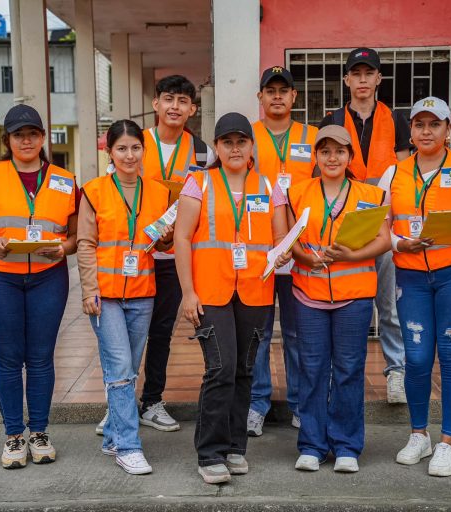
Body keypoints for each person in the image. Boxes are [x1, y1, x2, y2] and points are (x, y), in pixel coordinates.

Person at [379, 96, 451, 477]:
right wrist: (400, 244)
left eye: (434, 124)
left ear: (448, 130)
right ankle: (418, 435)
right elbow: (381, 228)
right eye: (419, 125)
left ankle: (448, 442)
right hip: (411, 277)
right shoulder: (393, 174)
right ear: (410, 132)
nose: (426, 132)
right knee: (416, 358)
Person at [93, 75, 214, 436]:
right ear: (156, 103)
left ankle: (152, 401)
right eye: (168, 99)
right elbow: (113, 192)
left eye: (183, 101)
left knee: (160, 333)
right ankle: (118, 405)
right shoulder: (133, 141)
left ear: (193, 109)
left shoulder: (203, 152)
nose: (175, 106)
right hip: (131, 257)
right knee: (123, 338)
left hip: (173, 256)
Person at [174, 112, 290, 484]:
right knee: (220, 369)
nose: (235, 148)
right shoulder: (199, 183)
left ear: (251, 146)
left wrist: (283, 252)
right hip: (211, 293)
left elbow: (280, 238)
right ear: (217, 147)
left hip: (255, 291)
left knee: (244, 370)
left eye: (241, 141)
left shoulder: (268, 185)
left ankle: (235, 447)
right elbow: (181, 238)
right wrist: (188, 292)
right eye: (228, 142)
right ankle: (210, 453)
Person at [0, 104, 79, 469]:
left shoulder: (64, 180)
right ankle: (14, 435)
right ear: (7, 140)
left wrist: (62, 249)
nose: (26, 141)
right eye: (18, 135)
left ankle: (39, 432)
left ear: (43, 138)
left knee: (41, 357)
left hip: (48, 277)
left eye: (32, 134)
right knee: (9, 357)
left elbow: (76, 236)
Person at [287, 125, 390, 473]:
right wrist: (305, 258)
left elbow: (384, 239)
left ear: (350, 156)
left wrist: (351, 256)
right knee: (312, 369)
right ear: (316, 156)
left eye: (340, 151)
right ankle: (312, 445)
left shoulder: (370, 194)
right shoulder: (297, 193)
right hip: (309, 294)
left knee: (348, 369)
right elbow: (290, 239)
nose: (332, 158)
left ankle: (346, 445)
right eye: (325, 151)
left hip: (354, 296)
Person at [77, 119, 173, 475]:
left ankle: (112, 437)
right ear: (109, 152)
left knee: (129, 369)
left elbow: (161, 245)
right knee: (119, 368)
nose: (129, 155)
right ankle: (129, 447)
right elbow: (85, 244)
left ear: (143, 151)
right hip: (105, 295)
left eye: (135, 148)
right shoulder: (94, 191)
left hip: (142, 293)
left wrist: (166, 236)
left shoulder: (159, 192)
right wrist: (89, 289)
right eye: (121, 148)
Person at [320, 47, 413, 404]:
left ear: (378, 78)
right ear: (346, 79)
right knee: (343, 305)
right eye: (355, 73)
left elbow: (403, 175)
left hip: (383, 223)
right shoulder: (332, 120)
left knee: (389, 306)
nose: (362, 79)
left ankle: (396, 372)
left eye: (368, 73)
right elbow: (323, 173)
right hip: (342, 226)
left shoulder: (397, 120)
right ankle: (338, 375)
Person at [247, 66, 318, 437]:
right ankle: (256, 403)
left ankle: (300, 403)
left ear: (294, 97)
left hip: (300, 249)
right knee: (257, 333)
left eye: (283, 90)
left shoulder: (313, 137)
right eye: (270, 90)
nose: (277, 96)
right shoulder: (247, 136)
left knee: (296, 333)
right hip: (259, 249)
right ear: (260, 97)